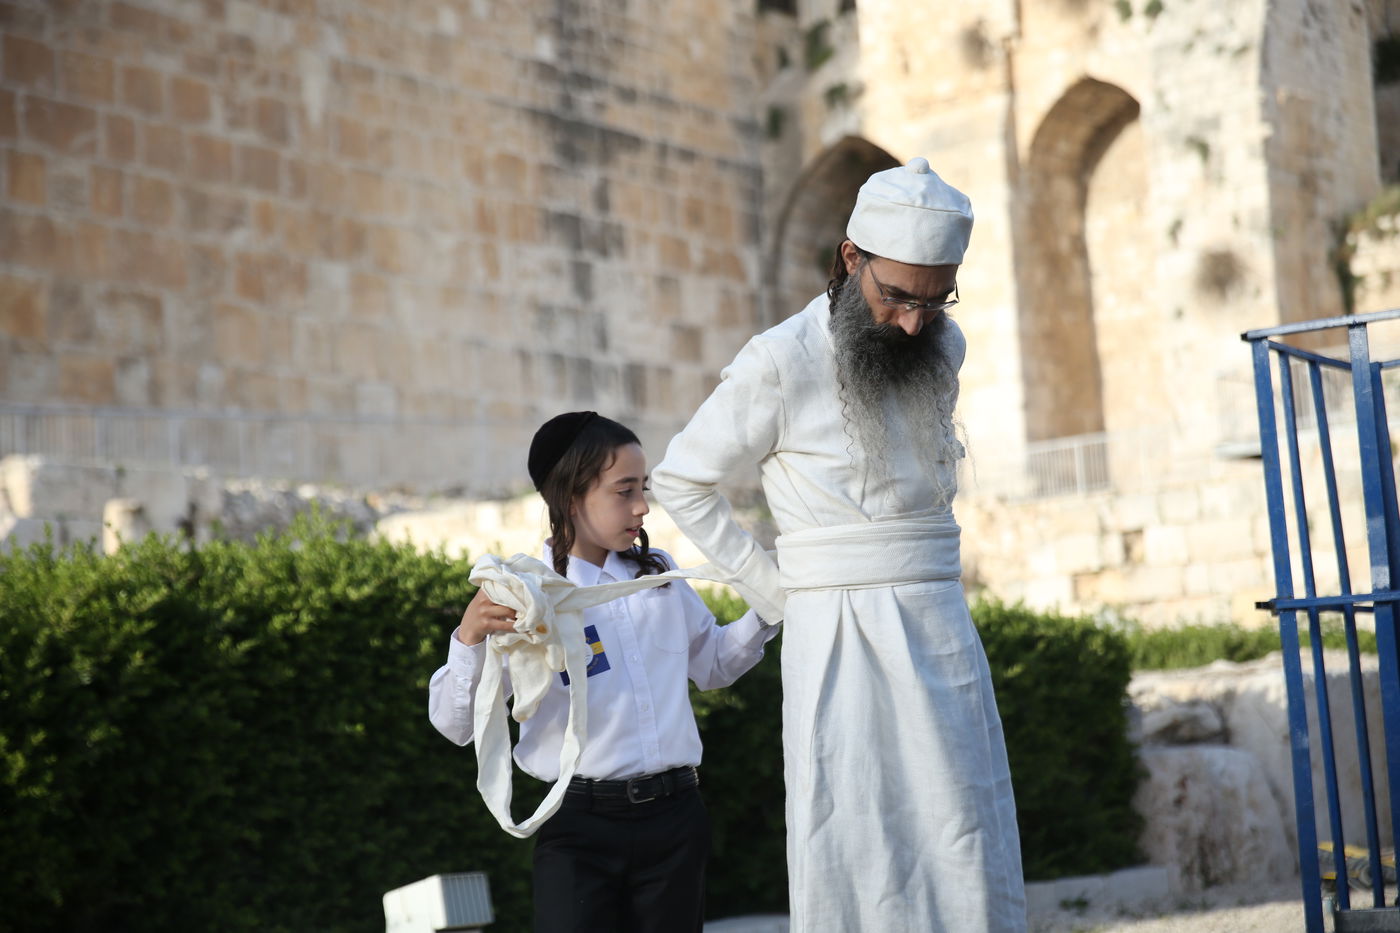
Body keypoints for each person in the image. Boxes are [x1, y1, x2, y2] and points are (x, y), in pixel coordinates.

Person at [650, 158, 1026, 932]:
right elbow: (684, 479)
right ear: (850, 259)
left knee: (964, 829)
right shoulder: (779, 360)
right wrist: (777, 590)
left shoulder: (941, 346)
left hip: (940, 623)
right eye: (896, 297)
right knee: (858, 838)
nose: (916, 322)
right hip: (839, 638)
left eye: (935, 298)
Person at [428, 411, 779, 933]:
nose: (642, 507)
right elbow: (454, 725)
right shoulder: (523, 595)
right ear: (570, 497)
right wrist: (468, 638)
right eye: (624, 491)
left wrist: (769, 605)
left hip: (676, 820)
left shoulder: (656, 575)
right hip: (578, 829)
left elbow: (712, 665)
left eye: (644, 489)